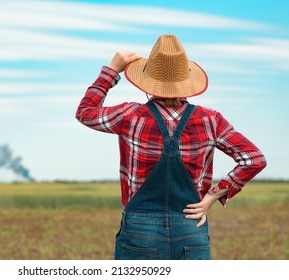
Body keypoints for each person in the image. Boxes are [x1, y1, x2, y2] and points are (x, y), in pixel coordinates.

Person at [75, 34, 266, 260]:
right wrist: (212, 197)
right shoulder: (210, 120)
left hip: (139, 229)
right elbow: (254, 159)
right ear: (187, 79)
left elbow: (85, 113)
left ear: (147, 80)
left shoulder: (129, 115)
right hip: (190, 226)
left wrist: (111, 71)